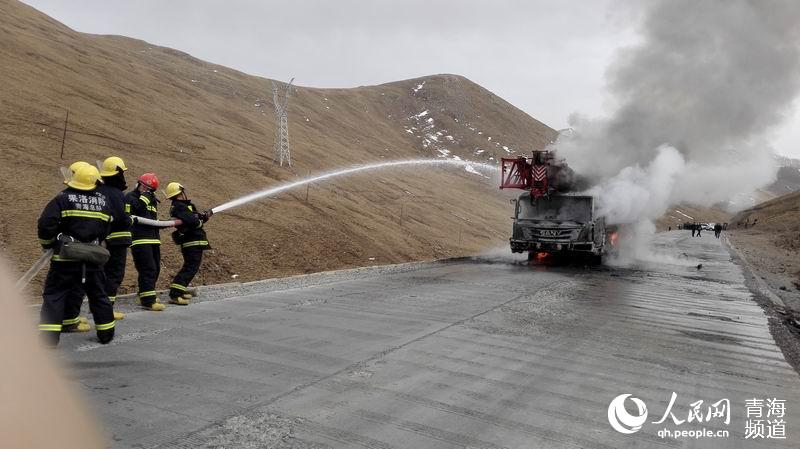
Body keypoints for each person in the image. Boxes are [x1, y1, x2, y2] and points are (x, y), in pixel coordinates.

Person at [37, 164, 115, 347]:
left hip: (65, 258)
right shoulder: (103, 202)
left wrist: (49, 245)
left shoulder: (63, 199)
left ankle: (48, 340)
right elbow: (106, 228)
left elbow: (46, 224)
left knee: (55, 295)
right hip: (92, 258)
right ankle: (106, 333)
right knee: (98, 295)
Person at [165, 182, 212, 305]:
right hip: (192, 241)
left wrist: (204, 217)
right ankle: (175, 294)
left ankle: (179, 291)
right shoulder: (179, 206)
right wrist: (200, 220)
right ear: (180, 193)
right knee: (191, 267)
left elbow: (194, 219)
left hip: (193, 240)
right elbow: (193, 222)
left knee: (190, 267)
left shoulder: (185, 206)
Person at [98, 156, 132, 320]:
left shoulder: (99, 191)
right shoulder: (118, 194)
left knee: (102, 273)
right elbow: (122, 217)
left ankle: (99, 306)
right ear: (118, 174)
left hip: (101, 240)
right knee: (114, 274)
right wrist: (130, 219)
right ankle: (107, 310)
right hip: (117, 241)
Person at [126, 173, 165, 311]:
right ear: (138, 184)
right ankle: (147, 301)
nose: (147, 191)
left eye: (150, 189)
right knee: (147, 269)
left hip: (153, 239)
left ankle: (144, 294)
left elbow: (151, 219)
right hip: (140, 239)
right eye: (145, 187)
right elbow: (137, 211)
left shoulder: (151, 199)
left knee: (155, 268)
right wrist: (144, 198)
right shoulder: (130, 197)